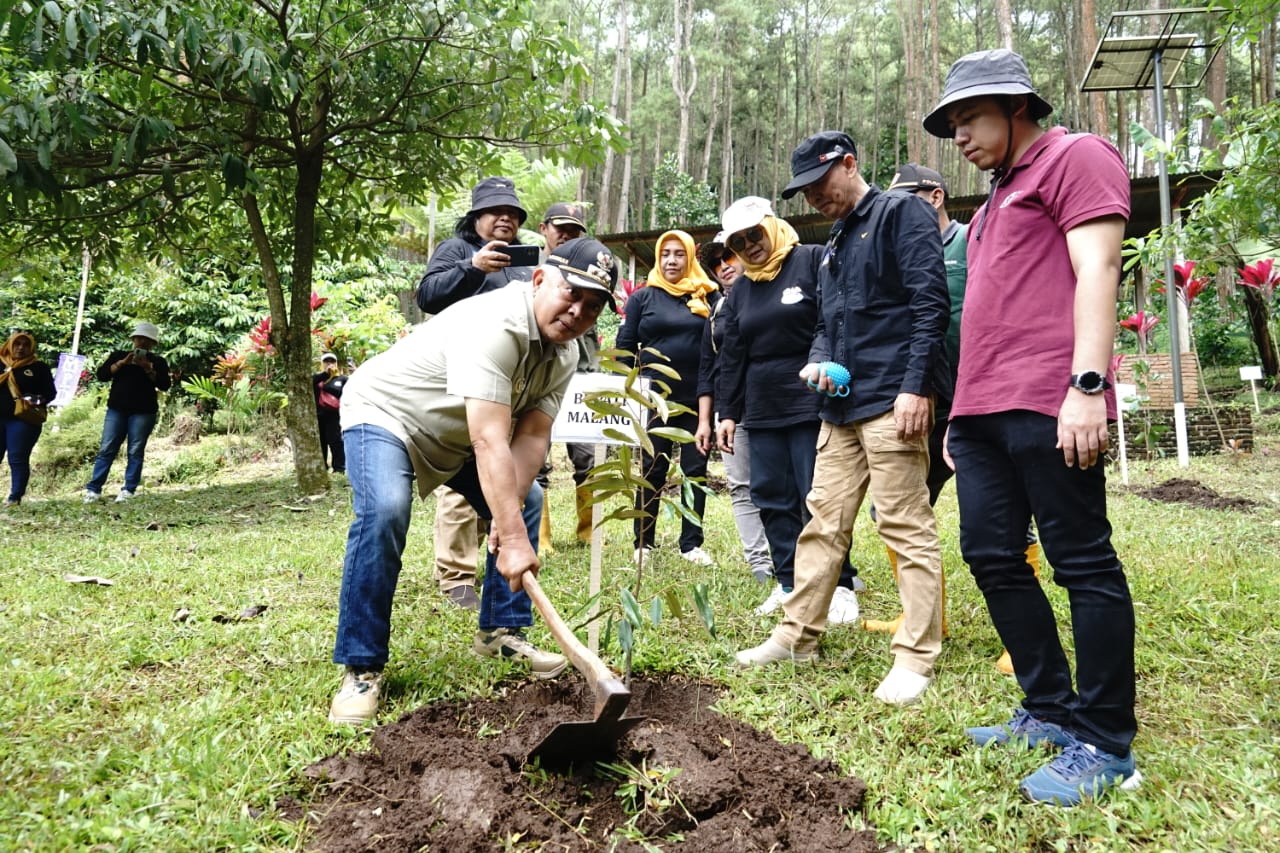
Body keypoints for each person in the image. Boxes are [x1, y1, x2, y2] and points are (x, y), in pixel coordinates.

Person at [924, 48, 1139, 805]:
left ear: (1017, 106)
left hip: (1053, 400)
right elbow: (979, 320)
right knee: (989, 552)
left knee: (1082, 560)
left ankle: (1108, 739)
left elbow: (1099, 270)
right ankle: (1049, 706)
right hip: (981, 413)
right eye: (951, 125)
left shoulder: (1074, 158)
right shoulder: (989, 208)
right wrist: (958, 415)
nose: (959, 137)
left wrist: (1088, 385)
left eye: (969, 118)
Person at [329, 237, 618, 726]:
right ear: (541, 278)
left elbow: (530, 436)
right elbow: (489, 439)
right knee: (386, 511)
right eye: (572, 293)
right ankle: (361, 667)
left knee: (525, 499)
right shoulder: (498, 323)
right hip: (387, 416)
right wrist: (511, 536)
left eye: (592, 307)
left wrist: (507, 526)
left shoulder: (565, 354)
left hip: (453, 438)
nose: (577, 312)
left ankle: (500, 633)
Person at [734, 131, 948, 707]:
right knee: (821, 523)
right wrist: (817, 362)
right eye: (801, 193)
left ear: (849, 164)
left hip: (892, 398)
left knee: (903, 524)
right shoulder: (833, 240)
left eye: (818, 185)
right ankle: (798, 635)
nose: (812, 199)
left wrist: (916, 387)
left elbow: (931, 305)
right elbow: (827, 321)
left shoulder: (902, 213)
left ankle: (916, 654)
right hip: (840, 406)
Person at [867, 163, 1041, 677]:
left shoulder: (973, 243)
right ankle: (925, 617)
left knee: (1001, 519)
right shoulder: (895, 257)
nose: (894, 210)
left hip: (979, 403)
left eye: (907, 198)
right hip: (920, 403)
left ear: (936, 196)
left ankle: (1021, 636)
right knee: (892, 511)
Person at [712, 197, 860, 624]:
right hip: (763, 406)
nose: (749, 245)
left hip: (812, 400)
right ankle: (789, 583)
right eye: (739, 241)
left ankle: (840, 585)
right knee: (770, 497)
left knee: (817, 497)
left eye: (754, 234)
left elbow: (833, 321)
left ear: (772, 226)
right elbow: (733, 355)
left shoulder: (812, 260)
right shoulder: (741, 287)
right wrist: (728, 412)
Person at [416, 177, 540, 611]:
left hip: (511, 384)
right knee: (459, 474)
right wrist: (474, 268)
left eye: (513, 214)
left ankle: (503, 562)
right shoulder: (457, 251)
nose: (505, 218)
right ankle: (455, 575)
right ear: (476, 218)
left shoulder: (524, 264)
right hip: (457, 379)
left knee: (507, 474)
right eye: (495, 212)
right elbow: (427, 297)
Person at [616, 230, 718, 566]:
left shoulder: (708, 295)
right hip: (654, 400)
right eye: (665, 254)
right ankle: (643, 542)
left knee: (695, 470)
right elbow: (624, 350)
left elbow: (719, 350)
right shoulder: (643, 298)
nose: (671, 260)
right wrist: (630, 392)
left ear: (690, 257)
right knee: (651, 469)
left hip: (698, 399)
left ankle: (691, 544)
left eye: (679, 254)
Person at [694, 234, 772, 582]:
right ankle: (758, 562)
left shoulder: (771, 294)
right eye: (716, 262)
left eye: (730, 257)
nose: (724, 266)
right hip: (729, 411)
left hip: (774, 404)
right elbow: (707, 368)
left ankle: (808, 559)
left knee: (787, 485)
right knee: (741, 486)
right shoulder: (716, 311)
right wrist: (705, 420)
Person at [538, 203, 599, 547]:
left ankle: (588, 533)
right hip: (540, 378)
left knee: (588, 458)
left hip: (582, 380)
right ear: (544, 228)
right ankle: (541, 535)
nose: (566, 235)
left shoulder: (592, 273)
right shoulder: (531, 272)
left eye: (574, 230)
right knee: (536, 459)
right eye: (560, 228)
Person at [84, 322, 171, 503]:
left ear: (152, 343)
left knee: (135, 450)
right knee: (107, 449)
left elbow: (164, 385)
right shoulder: (119, 356)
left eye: (146, 340)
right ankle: (93, 489)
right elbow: (102, 375)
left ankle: (128, 489)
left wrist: (148, 368)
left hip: (143, 412)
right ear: (133, 339)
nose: (141, 343)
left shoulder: (158, 362)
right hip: (117, 409)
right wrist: (121, 364)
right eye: (139, 338)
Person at [1, 331, 56, 507]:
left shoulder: (38, 367)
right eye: (17, 344)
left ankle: (14, 497)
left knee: (17, 457)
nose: (21, 348)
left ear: (31, 347)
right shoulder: (1, 363)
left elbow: (50, 393)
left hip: (23, 419)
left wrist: (36, 399)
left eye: (25, 345)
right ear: (10, 345)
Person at [313, 353, 348, 474]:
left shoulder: (342, 379)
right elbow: (310, 386)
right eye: (326, 361)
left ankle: (339, 468)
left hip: (335, 415)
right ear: (322, 364)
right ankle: (322, 467)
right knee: (320, 442)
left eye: (332, 361)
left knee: (336, 441)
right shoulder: (317, 378)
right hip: (319, 415)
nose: (329, 363)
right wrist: (325, 375)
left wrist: (328, 386)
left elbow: (344, 394)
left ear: (336, 363)